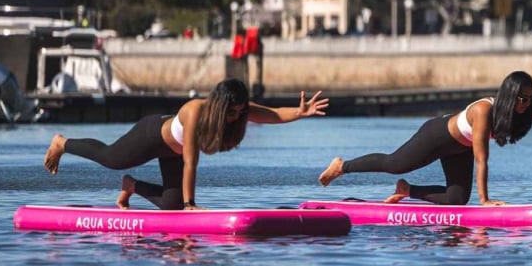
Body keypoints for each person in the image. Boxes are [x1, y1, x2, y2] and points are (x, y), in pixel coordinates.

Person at [318, 71, 532, 205]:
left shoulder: (522, 110)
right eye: (521, 98)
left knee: (457, 200)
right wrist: (485, 200)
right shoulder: (484, 111)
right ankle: (342, 166)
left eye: (529, 98)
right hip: (437, 135)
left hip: (458, 147)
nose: (525, 104)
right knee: (394, 163)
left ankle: (407, 191)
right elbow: (482, 158)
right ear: (509, 95)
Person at [43, 78, 327, 210]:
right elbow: (191, 161)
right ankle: (62, 143)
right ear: (220, 104)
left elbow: (273, 114)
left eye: (240, 111)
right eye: (232, 111)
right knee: (111, 158)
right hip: (153, 136)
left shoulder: (237, 110)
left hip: (173, 152)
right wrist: (192, 204)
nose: (236, 116)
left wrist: (300, 113)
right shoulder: (195, 111)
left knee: (171, 205)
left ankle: (131, 186)